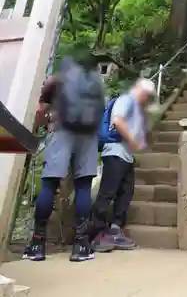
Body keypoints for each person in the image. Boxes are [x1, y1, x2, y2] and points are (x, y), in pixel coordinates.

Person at [23, 54, 105, 263]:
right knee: (83, 186)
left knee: (49, 183)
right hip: (87, 135)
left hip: (60, 131)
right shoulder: (94, 84)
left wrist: (45, 121)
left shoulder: (55, 79)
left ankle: (37, 244)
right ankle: (81, 245)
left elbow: (41, 111)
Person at [90, 78, 156, 252]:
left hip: (126, 156)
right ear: (141, 91)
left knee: (125, 193)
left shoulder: (136, 106)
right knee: (107, 192)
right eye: (147, 95)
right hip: (115, 152)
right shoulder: (126, 100)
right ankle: (97, 234)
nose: (147, 99)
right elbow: (117, 121)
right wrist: (133, 141)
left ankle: (115, 230)